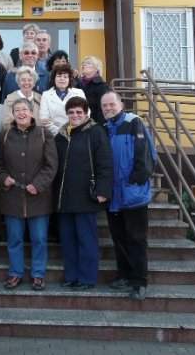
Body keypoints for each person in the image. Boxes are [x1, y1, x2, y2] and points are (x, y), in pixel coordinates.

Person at [0, 97, 57, 291]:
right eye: (17, 110)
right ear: (13, 114)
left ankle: (38, 275)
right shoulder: (5, 135)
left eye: (24, 109)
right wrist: (3, 178)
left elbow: (51, 165)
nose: (21, 113)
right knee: (15, 240)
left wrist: (38, 184)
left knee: (39, 239)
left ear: (31, 112)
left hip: (39, 197)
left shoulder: (44, 134)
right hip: (12, 196)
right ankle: (15, 273)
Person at [101, 90, 157, 301]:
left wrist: (136, 180)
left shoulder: (134, 123)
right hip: (114, 195)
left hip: (133, 194)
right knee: (119, 238)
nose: (108, 108)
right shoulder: (105, 128)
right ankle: (124, 275)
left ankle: (139, 282)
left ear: (121, 104)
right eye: (105, 105)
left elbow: (148, 155)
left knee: (136, 239)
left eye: (111, 104)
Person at [54, 96, 113, 290]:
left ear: (86, 113)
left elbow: (105, 163)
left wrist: (103, 190)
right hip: (65, 197)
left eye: (79, 112)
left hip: (87, 196)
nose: (75, 115)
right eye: (71, 112)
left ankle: (87, 278)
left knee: (86, 240)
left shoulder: (96, 132)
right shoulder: (61, 136)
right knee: (68, 240)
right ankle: (71, 276)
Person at [39, 63, 86, 136]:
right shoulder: (46, 95)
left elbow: (86, 114)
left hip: (78, 133)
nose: (62, 79)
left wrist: (73, 130)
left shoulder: (79, 92)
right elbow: (44, 119)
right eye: (59, 76)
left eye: (65, 76)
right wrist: (62, 132)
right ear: (54, 78)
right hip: (55, 136)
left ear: (69, 79)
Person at [77, 56, 110, 125]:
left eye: (88, 63)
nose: (84, 65)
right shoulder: (78, 84)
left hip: (95, 124)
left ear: (96, 69)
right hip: (78, 122)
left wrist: (98, 127)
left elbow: (102, 110)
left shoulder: (101, 86)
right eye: (83, 63)